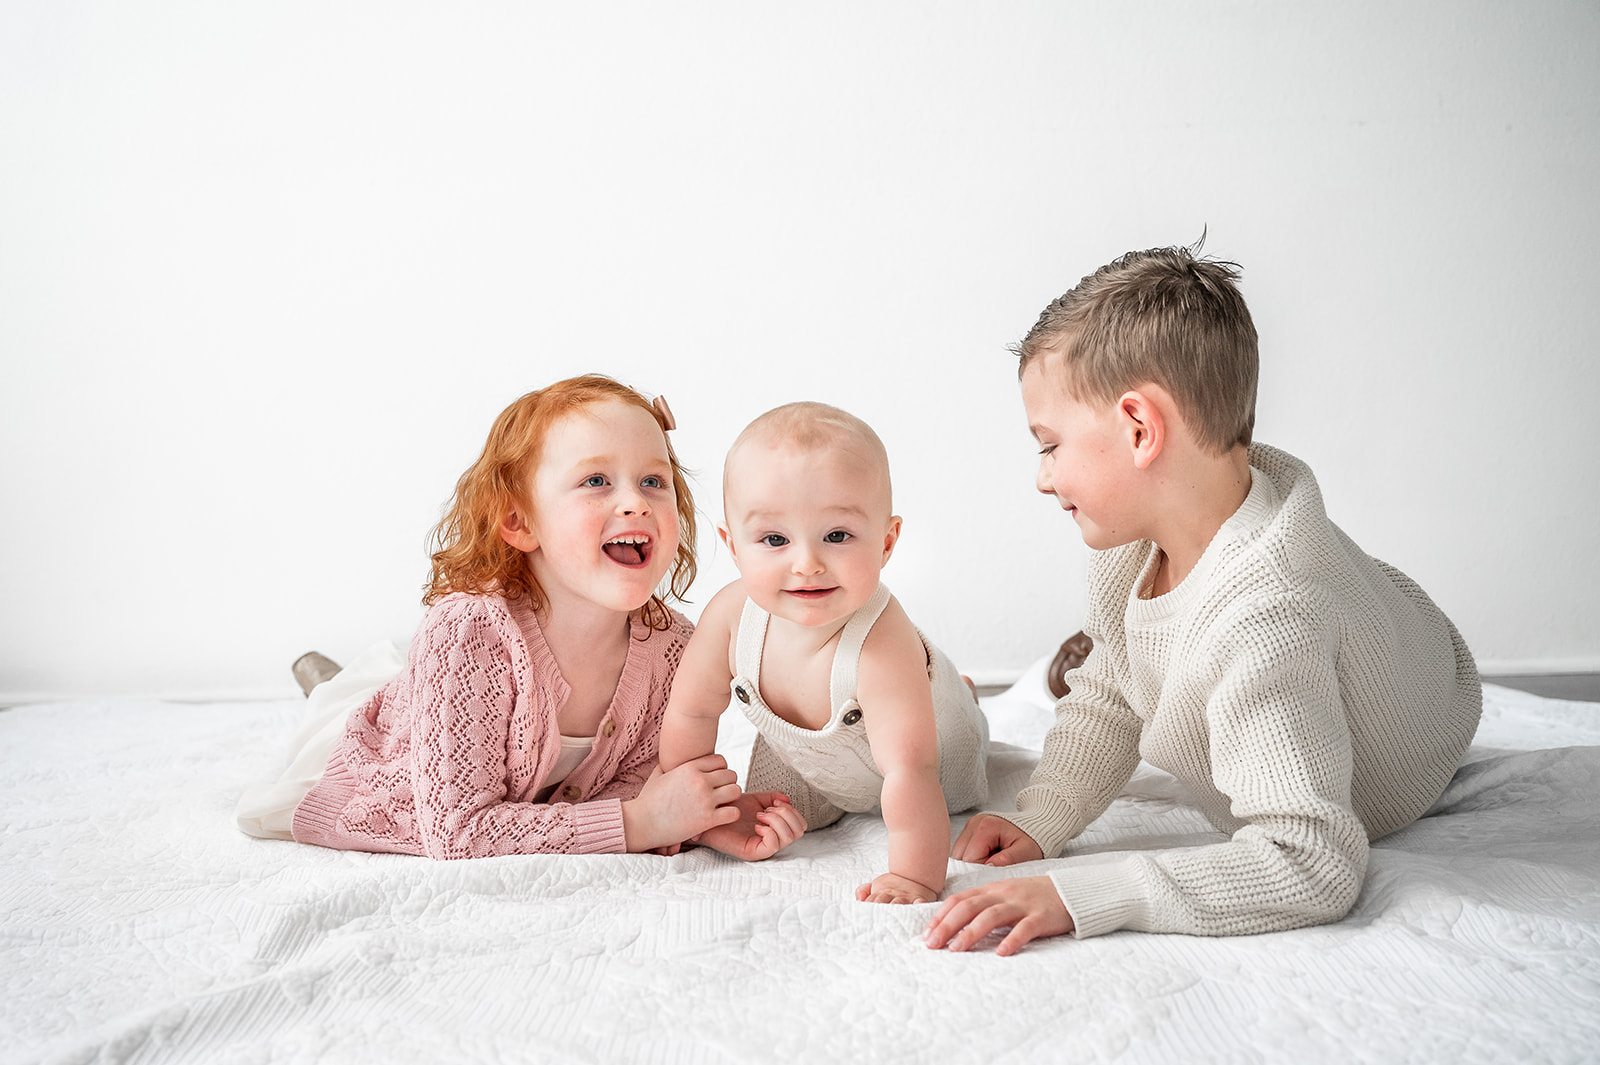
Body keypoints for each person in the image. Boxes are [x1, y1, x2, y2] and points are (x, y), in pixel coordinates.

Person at [925, 244, 1482, 954]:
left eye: (1049, 445)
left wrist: (1083, 894)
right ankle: (1121, 653)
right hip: (1313, 616)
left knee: (1253, 639)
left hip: (1423, 702)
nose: (1042, 477)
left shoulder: (1267, 619)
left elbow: (1310, 860)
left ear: (1139, 429)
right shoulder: (1130, 549)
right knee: (1119, 656)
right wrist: (1044, 814)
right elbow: (1111, 693)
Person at [235, 374, 787, 858]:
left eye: (654, 481)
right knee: (340, 702)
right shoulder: (468, 631)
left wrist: (700, 821)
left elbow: (639, 784)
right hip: (378, 753)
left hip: (441, 692)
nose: (636, 502)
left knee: (394, 681)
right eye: (596, 481)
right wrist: (639, 824)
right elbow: (458, 833)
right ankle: (325, 681)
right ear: (521, 522)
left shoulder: (673, 649)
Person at [659, 402, 990, 904]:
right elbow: (691, 712)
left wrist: (914, 877)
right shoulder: (730, 617)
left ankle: (959, 695)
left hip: (933, 760)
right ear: (733, 545)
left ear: (886, 542)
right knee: (783, 814)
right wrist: (692, 813)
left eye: (837, 536)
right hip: (813, 762)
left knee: (944, 763)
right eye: (774, 539)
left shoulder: (881, 644)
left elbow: (912, 773)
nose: (807, 563)